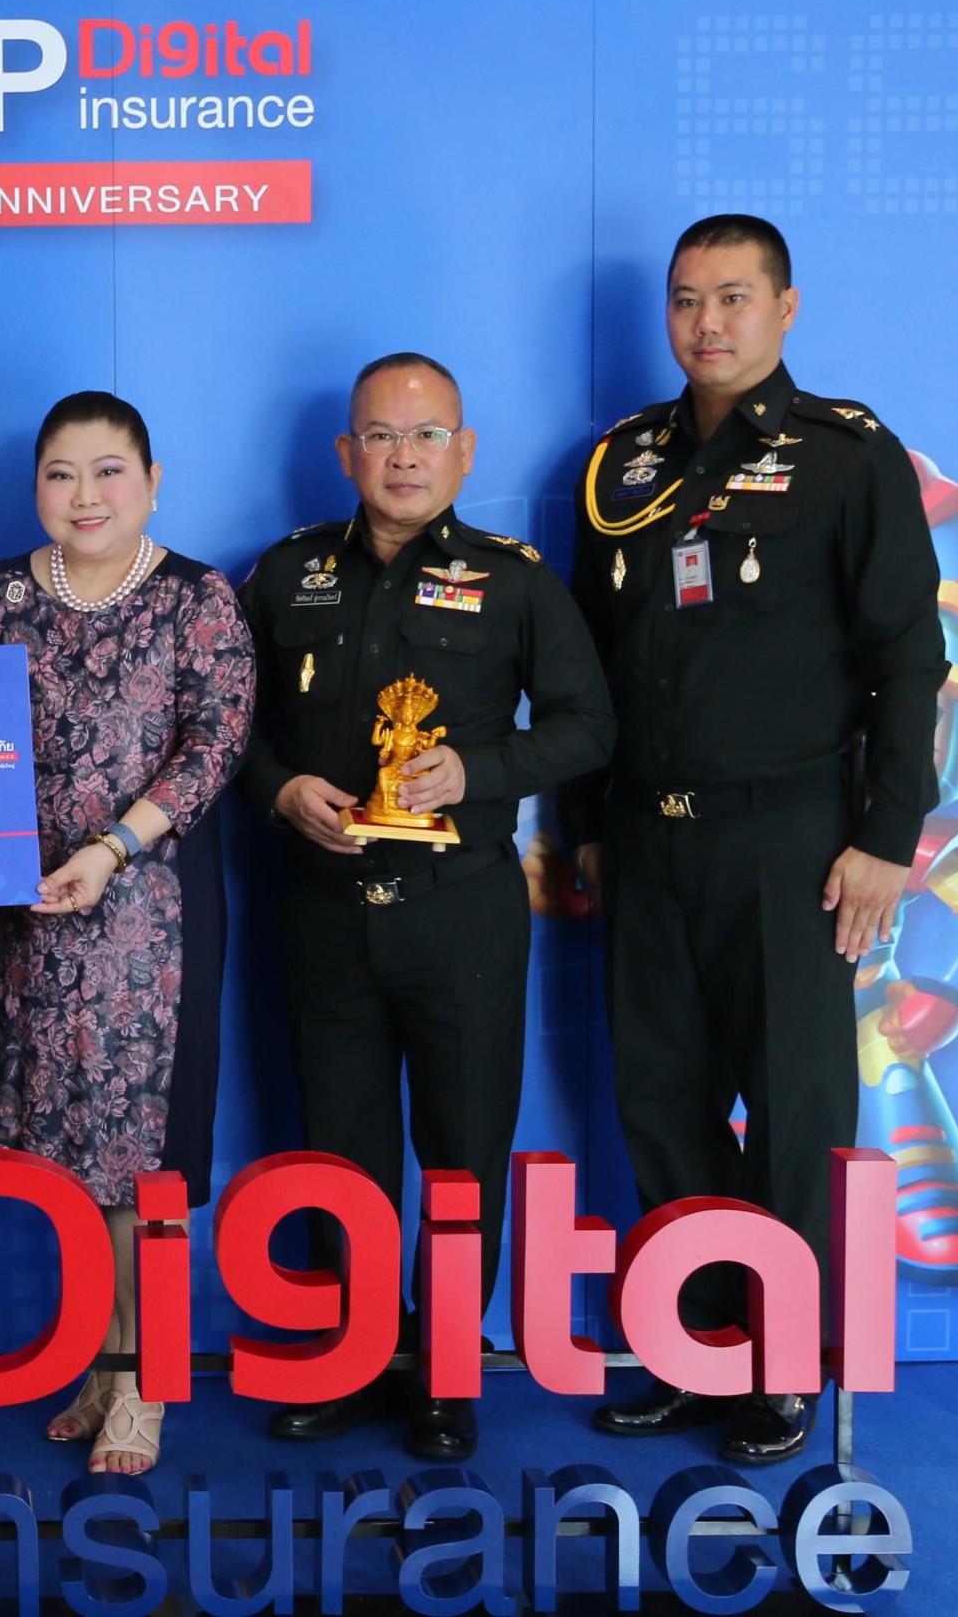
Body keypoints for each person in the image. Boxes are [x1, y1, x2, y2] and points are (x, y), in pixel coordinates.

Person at [565, 215, 945, 1463]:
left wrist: (887, 837)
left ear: (787, 307)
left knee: (792, 1111)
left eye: (734, 297)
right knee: (661, 1103)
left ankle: (785, 1365)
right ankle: (696, 1350)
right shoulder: (619, 466)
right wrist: (584, 825)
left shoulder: (846, 456)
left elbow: (909, 657)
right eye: (686, 299)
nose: (708, 322)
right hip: (644, 839)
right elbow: (586, 672)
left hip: (790, 841)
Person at [236, 354, 614, 1463]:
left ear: (465, 450)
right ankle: (351, 1357)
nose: (403, 458)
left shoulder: (515, 581)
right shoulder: (287, 573)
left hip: (460, 914)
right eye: (380, 436)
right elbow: (226, 723)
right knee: (337, 1149)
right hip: (323, 907)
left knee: (462, 1148)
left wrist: (477, 771)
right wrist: (279, 791)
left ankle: (446, 1369)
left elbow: (589, 726)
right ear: (346, 452)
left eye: (426, 435)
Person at [0, 390, 253, 1475]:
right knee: (63, 1157)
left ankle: (145, 1378)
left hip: (145, 919)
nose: (85, 494)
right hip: (28, 921)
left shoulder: (195, 598)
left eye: (109, 470)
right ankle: (103, 1361)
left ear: (152, 482)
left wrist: (113, 847)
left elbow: (216, 746)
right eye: (61, 473)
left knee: (138, 1164)